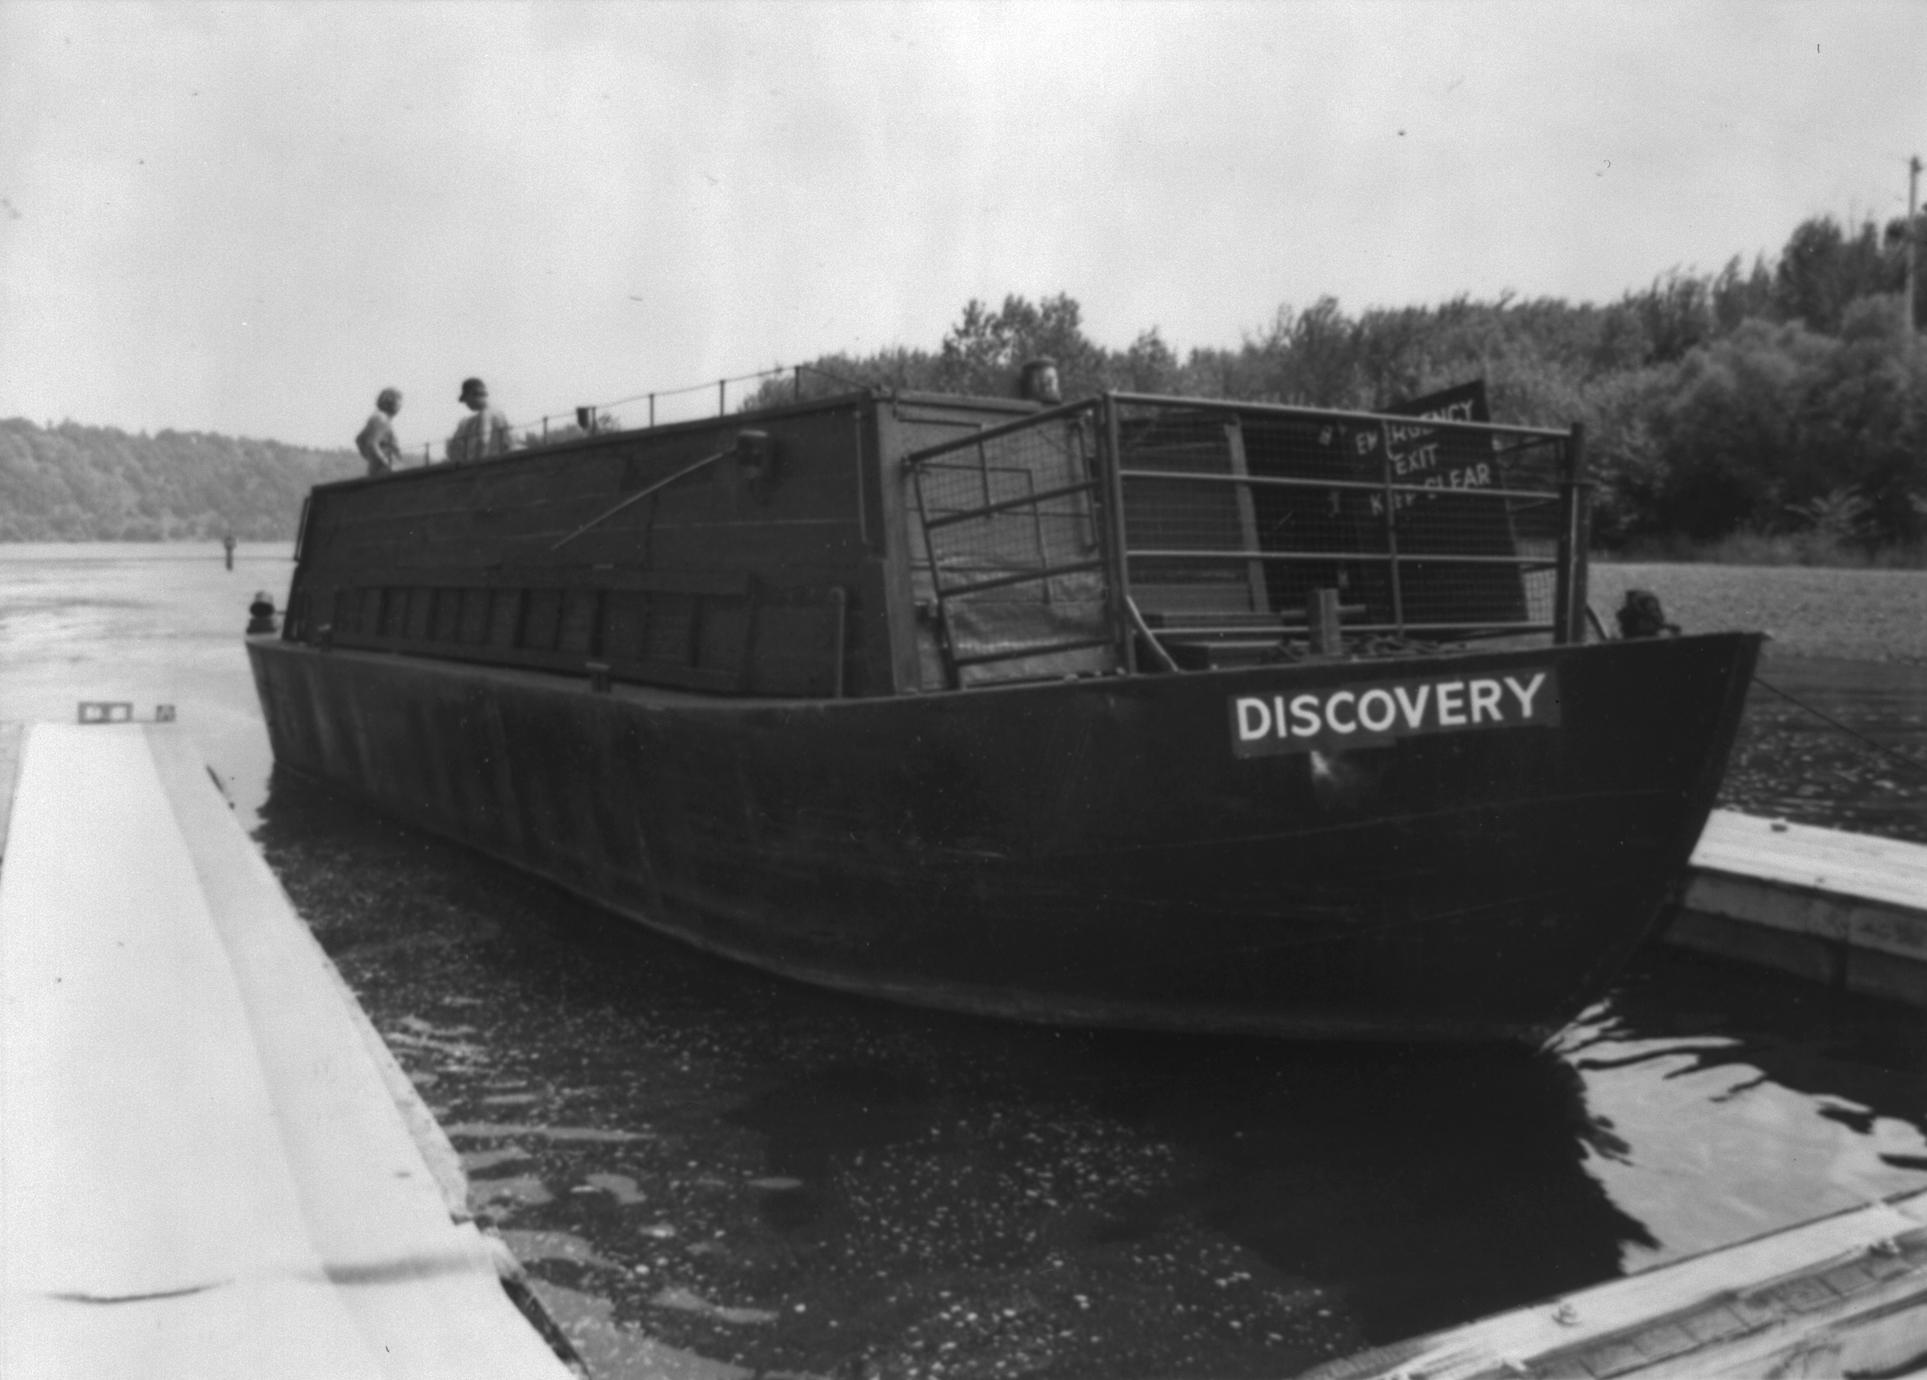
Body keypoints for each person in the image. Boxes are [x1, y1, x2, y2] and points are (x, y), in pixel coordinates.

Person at [448, 377, 512, 464]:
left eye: (466, 399)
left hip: (489, 466)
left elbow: (483, 441)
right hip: (502, 463)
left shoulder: (485, 414)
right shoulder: (498, 413)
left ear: (473, 394)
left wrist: (476, 466)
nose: (466, 403)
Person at [356, 387, 404, 476]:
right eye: (399, 401)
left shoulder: (377, 417)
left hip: (377, 469)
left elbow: (359, 439)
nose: (401, 405)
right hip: (385, 471)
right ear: (391, 402)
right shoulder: (382, 419)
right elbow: (372, 444)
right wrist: (388, 464)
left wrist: (371, 458)